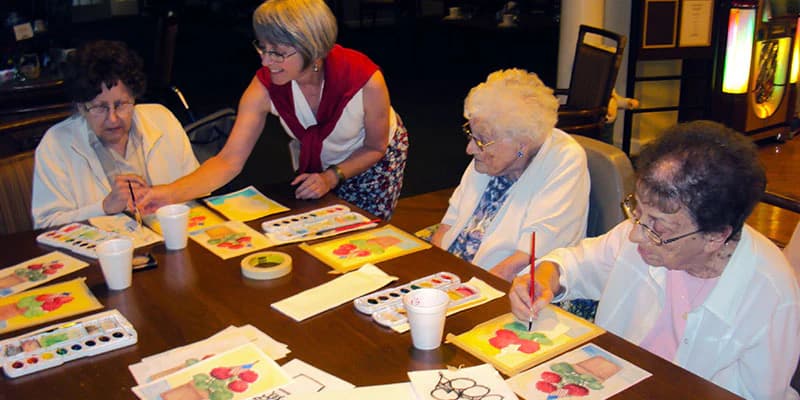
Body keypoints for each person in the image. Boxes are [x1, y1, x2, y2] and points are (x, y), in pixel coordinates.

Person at [509, 120, 800, 399]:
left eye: (658, 226)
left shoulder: (771, 295)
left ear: (715, 237)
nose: (636, 235)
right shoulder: (644, 232)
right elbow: (576, 264)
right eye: (637, 211)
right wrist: (545, 277)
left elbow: (752, 395)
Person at [139, 0, 408, 219]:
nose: (267, 61)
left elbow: (375, 147)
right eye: (262, 48)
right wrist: (167, 193)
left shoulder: (365, 80)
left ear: (313, 51)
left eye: (278, 53)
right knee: (323, 227)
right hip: (323, 156)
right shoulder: (264, 86)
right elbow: (228, 160)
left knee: (366, 231)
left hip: (375, 156)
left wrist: (332, 176)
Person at [431, 69, 590, 282]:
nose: (470, 149)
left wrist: (471, 291)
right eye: (472, 135)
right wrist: (433, 266)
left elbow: (527, 257)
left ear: (521, 145)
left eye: (481, 140)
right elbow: (450, 221)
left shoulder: (564, 159)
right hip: (455, 270)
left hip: (508, 283)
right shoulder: (490, 153)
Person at [31, 40, 199, 228]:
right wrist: (104, 207)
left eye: (121, 105)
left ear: (134, 98)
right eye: (100, 108)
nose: (113, 119)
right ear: (81, 107)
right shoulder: (56, 144)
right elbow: (45, 225)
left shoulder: (162, 120)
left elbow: (197, 190)